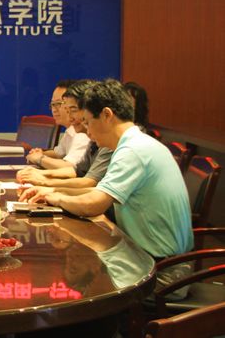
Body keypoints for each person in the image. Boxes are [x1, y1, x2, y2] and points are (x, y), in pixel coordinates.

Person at [19, 79, 193, 263]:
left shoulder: (133, 151)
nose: (88, 132)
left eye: (88, 122)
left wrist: (55, 197)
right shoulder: (134, 143)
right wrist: (50, 192)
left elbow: (93, 204)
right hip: (144, 252)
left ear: (107, 115)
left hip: (159, 265)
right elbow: (99, 191)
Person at [17, 80, 113, 189]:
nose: (70, 117)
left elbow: (90, 182)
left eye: (73, 110)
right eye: (67, 110)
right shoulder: (93, 140)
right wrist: (40, 173)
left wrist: (44, 181)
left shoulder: (110, 143)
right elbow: (76, 171)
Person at [26, 79, 90, 169]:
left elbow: (70, 167)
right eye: (53, 104)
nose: (54, 109)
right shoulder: (71, 130)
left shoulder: (83, 133)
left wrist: (40, 159)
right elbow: (59, 153)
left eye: (59, 103)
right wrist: (40, 153)